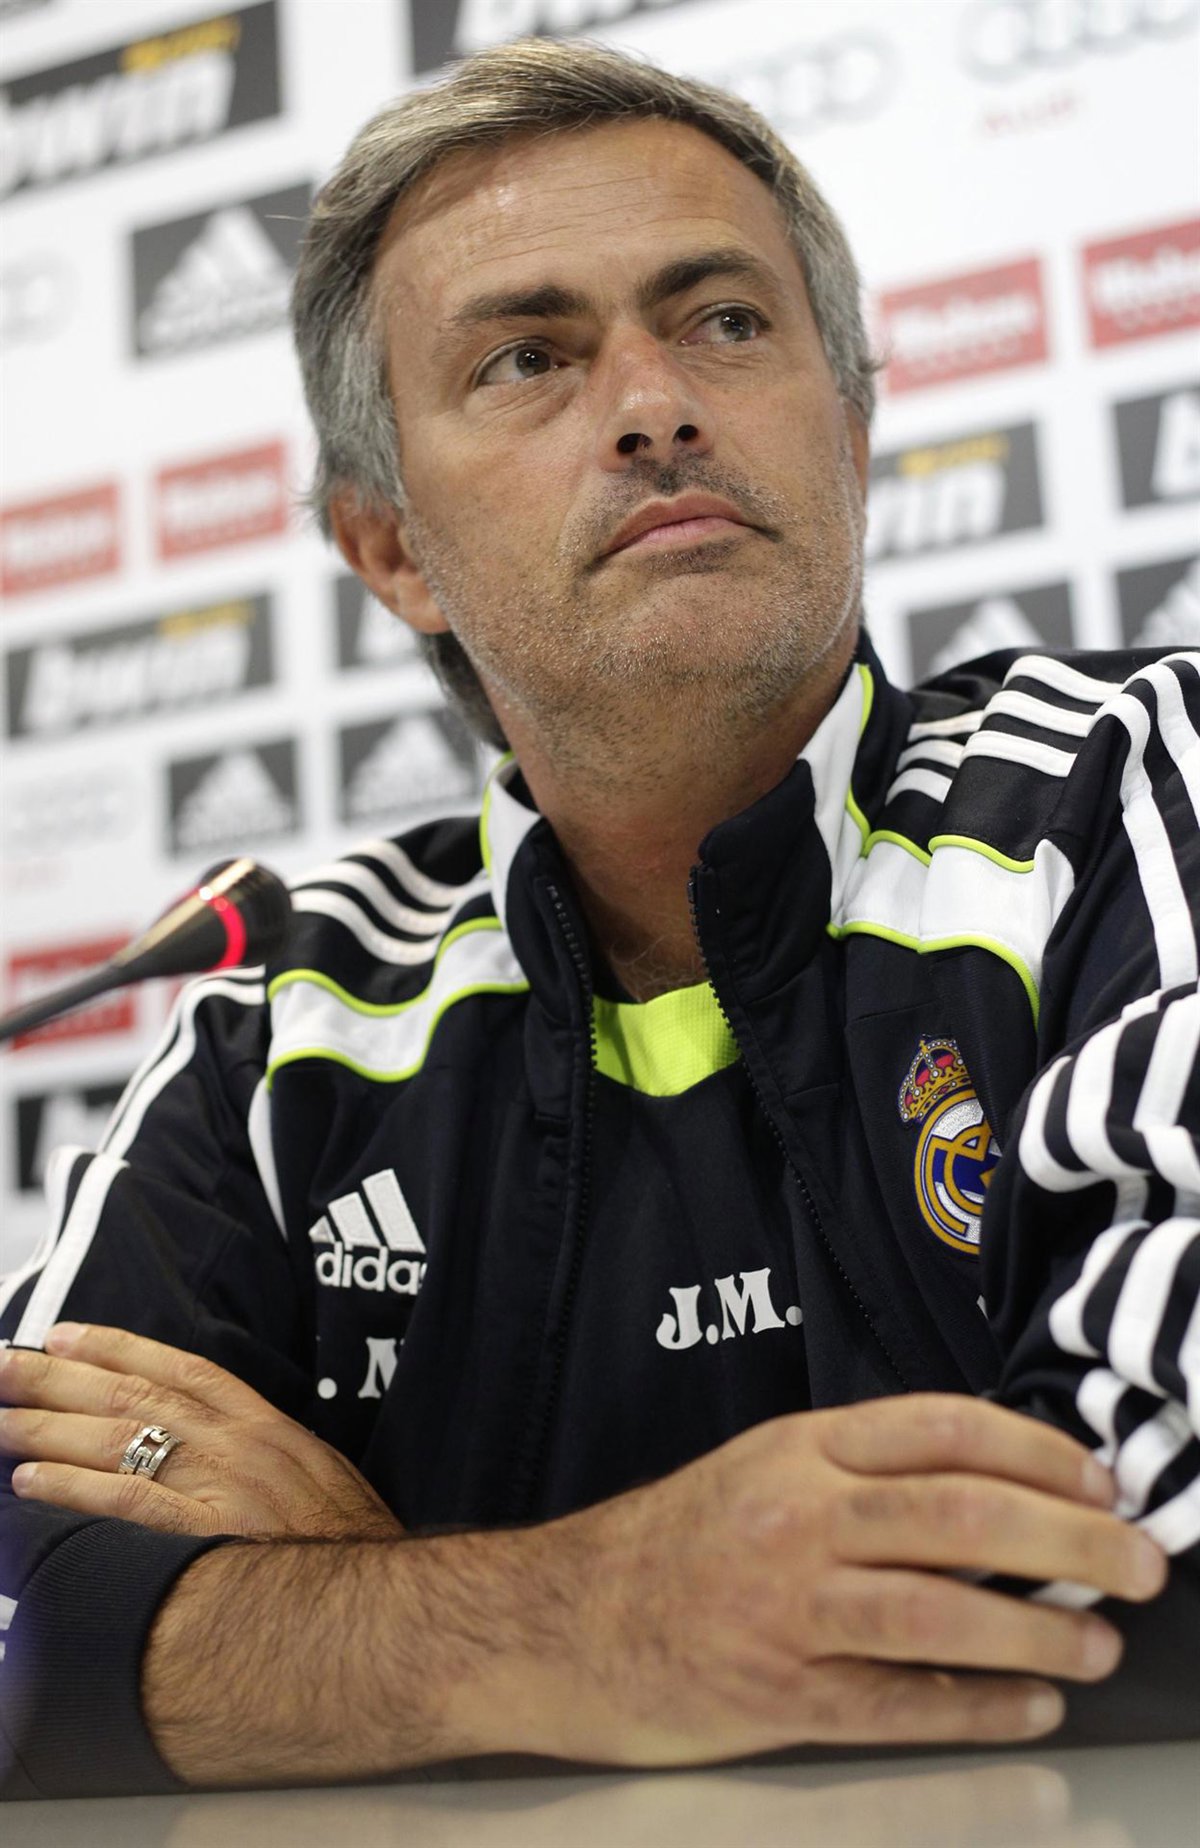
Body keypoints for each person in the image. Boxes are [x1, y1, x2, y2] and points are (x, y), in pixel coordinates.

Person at [0, 39, 1196, 1801]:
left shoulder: (1132, 789)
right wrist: (568, 1626)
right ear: (392, 551)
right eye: (528, 358)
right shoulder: (284, 1015)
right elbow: (17, 1621)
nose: (653, 405)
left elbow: (1149, 1550)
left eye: (726, 321)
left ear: (853, 433)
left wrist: (383, 1595)